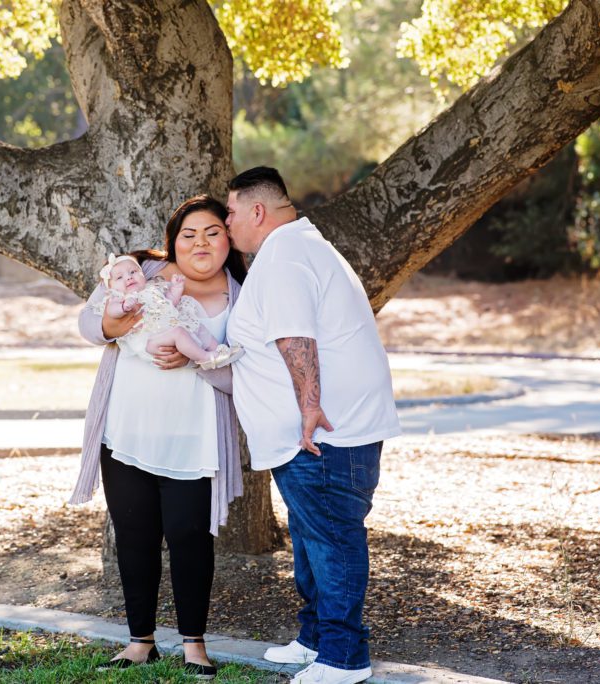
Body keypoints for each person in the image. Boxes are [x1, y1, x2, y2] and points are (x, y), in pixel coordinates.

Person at [224, 167, 401, 684]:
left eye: (231, 213)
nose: (228, 224)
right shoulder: (298, 248)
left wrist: (309, 408)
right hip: (316, 434)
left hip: (323, 434)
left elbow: (295, 339)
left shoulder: (283, 256)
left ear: (258, 211)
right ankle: (315, 639)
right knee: (310, 536)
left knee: (333, 539)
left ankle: (345, 658)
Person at [69, 195, 247, 680]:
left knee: (191, 537)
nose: (201, 242)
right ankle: (139, 641)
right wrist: (113, 322)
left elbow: (243, 377)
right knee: (134, 534)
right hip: (125, 432)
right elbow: (89, 323)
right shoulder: (142, 275)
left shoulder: (243, 296)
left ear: (228, 238)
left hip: (194, 441)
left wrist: (194, 358)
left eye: (212, 231)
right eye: (188, 234)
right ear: (172, 243)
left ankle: (194, 644)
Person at [98, 253, 244, 369]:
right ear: (111, 288)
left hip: (164, 329)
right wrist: (123, 307)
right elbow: (111, 312)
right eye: (119, 277)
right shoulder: (117, 299)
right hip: (149, 340)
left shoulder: (152, 290)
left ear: (142, 274)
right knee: (179, 333)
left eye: (133, 272)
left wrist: (175, 289)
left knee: (196, 327)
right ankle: (204, 358)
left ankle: (219, 351)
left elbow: (168, 304)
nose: (128, 277)